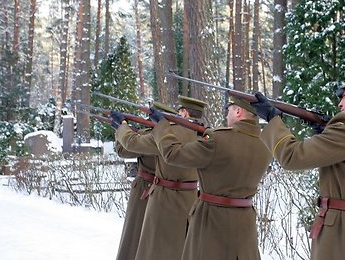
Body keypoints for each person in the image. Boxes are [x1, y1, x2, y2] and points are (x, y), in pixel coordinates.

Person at [250, 69, 345, 260]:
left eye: (344, 95)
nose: (340, 103)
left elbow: (292, 157)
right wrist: (326, 135)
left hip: (344, 236)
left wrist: (273, 120)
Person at [148, 96, 272, 260]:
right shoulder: (265, 143)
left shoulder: (218, 139)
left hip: (212, 219)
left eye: (228, 111)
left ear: (238, 111)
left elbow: (172, 154)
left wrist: (162, 127)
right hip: (245, 221)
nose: (226, 116)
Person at [110, 95, 207, 260]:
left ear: (183, 112)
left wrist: (122, 127)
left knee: (153, 248)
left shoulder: (169, 133)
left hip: (164, 199)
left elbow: (129, 146)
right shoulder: (206, 135)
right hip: (192, 198)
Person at [114, 102, 176, 260]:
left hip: (145, 190)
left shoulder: (152, 136)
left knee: (135, 237)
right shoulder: (175, 135)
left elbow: (123, 150)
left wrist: (121, 129)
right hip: (167, 193)